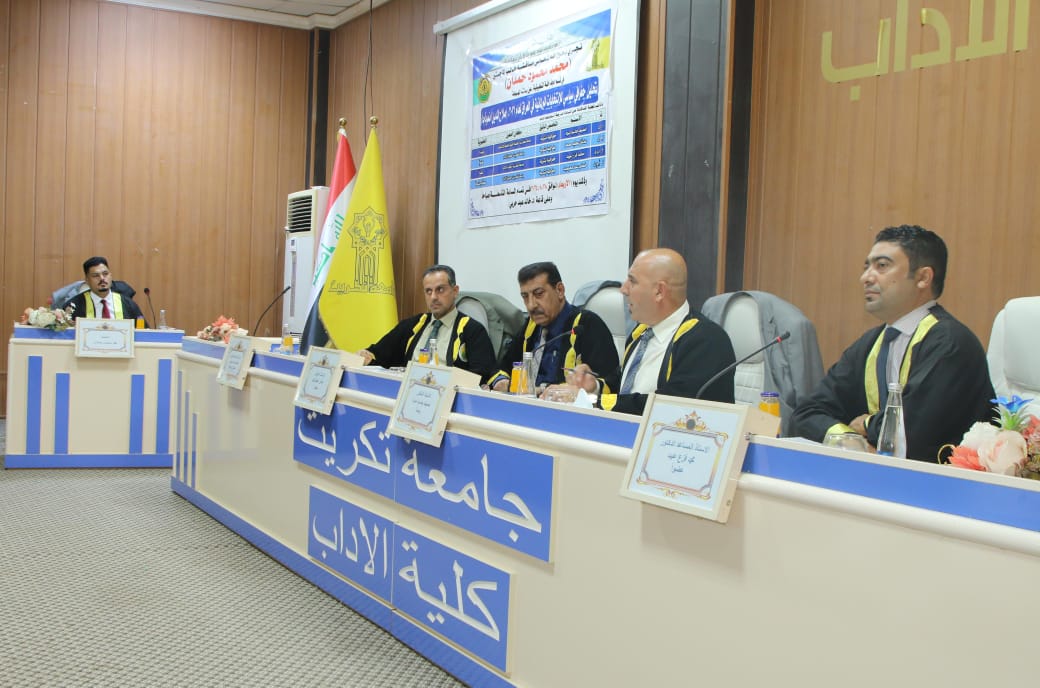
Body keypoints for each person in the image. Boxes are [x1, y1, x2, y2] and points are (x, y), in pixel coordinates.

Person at [790, 225, 994, 462]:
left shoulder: (950, 343)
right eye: (867, 267)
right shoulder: (871, 343)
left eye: (882, 266)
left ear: (923, 278)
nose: (866, 277)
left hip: (940, 480)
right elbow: (806, 415)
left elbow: (910, 433)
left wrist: (866, 423)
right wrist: (851, 441)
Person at [571, 248, 736, 415]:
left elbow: (672, 406)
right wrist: (595, 387)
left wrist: (593, 401)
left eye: (632, 281)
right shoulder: (641, 333)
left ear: (659, 291)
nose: (623, 289)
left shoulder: (707, 341)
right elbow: (625, 387)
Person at [490, 262, 620, 394]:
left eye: (539, 294)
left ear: (560, 290)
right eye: (525, 297)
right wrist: (501, 381)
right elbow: (504, 367)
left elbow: (610, 384)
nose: (531, 305)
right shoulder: (532, 325)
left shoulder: (586, 325)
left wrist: (583, 388)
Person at [359, 264, 500, 384]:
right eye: (428, 291)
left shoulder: (473, 331)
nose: (433, 297)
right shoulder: (412, 325)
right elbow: (378, 354)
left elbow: (481, 375)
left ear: (455, 291)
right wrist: (364, 356)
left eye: (440, 290)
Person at [63, 256, 147, 325]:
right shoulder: (74, 306)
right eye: (96, 275)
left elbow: (143, 334)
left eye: (105, 274)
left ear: (111, 276)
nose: (102, 278)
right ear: (87, 280)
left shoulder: (128, 304)